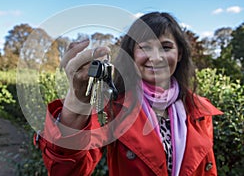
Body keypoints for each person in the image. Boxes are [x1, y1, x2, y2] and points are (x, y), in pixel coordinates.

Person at [34, 12, 223, 176]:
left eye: (166, 47)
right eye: (145, 47)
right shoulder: (113, 109)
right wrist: (76, 103)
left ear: (179, 54)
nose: (156, 58)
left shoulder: (199, 110)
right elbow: (68, 170)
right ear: (131, 55)